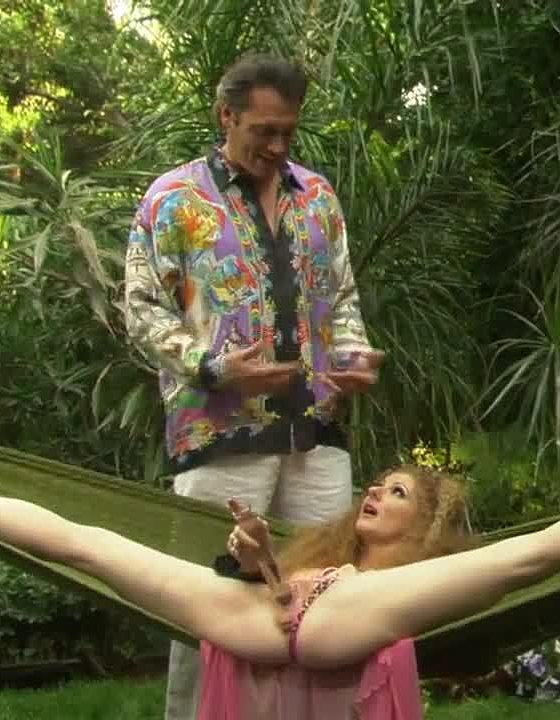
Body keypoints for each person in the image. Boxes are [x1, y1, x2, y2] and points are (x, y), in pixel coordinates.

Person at [0, 453, 560, 719]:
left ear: (423, 529)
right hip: (278, 615)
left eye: (400, 494)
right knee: (92, 545)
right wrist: (252, 557)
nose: (377, 496)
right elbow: (282, 592)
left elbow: (533, 559)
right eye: (377, 486)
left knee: (528, 558)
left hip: (336, 622)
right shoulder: (323, 555)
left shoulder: (412, 582)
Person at [121, 52, 381, 719]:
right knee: (207, 607)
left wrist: (353, 356)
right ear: (226, 116)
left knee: (329, 602)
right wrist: (213, 365)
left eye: (288, 131)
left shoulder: (317, 195)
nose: (278, 146)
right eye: (264, 130)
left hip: (318, 434)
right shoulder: (172, 200)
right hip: (221, 437)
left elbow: (342, 296)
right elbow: (142, 310)